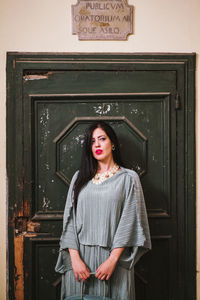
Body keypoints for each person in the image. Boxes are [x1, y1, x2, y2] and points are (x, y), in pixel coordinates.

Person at [55, 121, 151, 300]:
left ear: (112, 143)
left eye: (102, 139)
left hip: (113, 261)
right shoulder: (79, 177)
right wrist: (75, 260)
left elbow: (129, 221)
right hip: (79, 261)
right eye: (92, 141)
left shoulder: (129, 178)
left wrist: (112, 261)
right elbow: (69, 221)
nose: (97, 144)